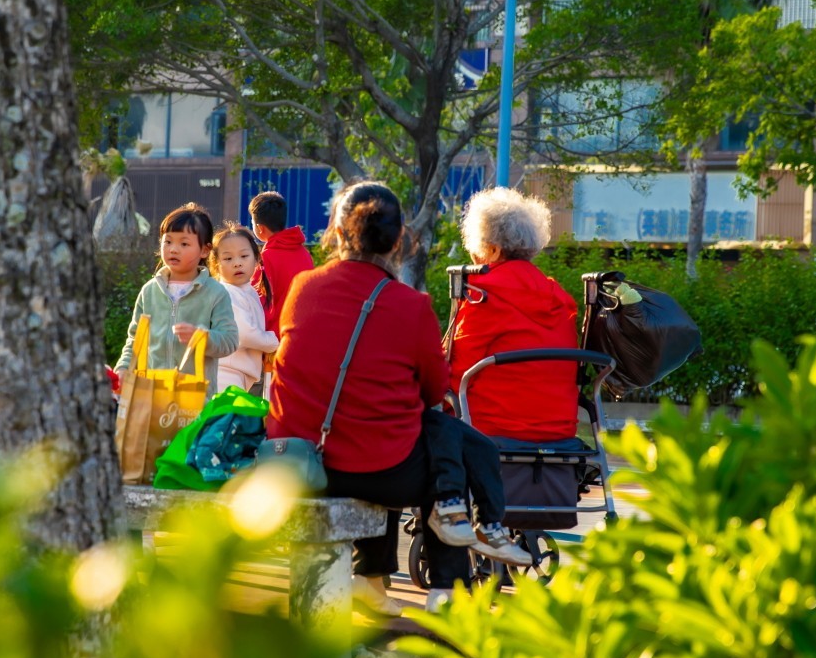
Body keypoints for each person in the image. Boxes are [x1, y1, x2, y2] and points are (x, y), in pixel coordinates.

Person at [266, 181, 530, 616]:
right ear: (398, 239)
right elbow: (431, 390)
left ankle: (370, 580)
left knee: (387, 431)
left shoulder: (302, 288)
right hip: (382, 472)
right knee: (442, 448)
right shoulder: (411, 305)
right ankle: (449, 589)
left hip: (305, 462)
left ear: (336, 230)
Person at [449, 188, 580, 445]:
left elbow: (455, 375)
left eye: (477, 249)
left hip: (490, 427)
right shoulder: (560, 299)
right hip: (559, 428)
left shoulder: (482, 296)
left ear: (494, 250)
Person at [114, 203, 238, 395]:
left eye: (184, 243)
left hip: (196, 401)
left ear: (204, 251)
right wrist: (123, 368)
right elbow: (135, 340)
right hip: (152, 397)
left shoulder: (216, 293)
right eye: (168, 241)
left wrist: (202, 338)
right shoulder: (149, 292)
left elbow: (230, 341)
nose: (173, 249)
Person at [209, 224, 278, 392]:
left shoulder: (248, 292)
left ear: (256, 259)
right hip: (224, 375)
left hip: (237, 374)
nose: (237, 263)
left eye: (244, 256)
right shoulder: (226, 293)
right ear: (216, 265)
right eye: (228, 259)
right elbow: (245, 334)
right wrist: (273, 342)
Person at [248, 191, 313, 337]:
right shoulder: (304, 253)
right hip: (303, 334)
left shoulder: (266, 258)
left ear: (260, 228)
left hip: (275, 340)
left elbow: (256, 304)